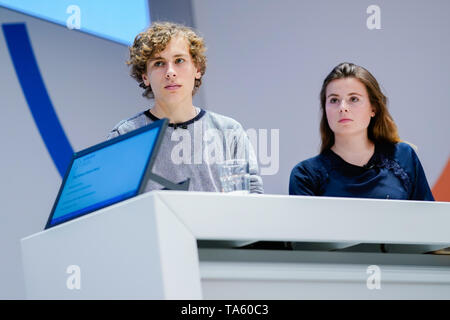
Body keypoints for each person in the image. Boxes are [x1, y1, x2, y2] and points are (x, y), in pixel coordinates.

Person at [108, 22, 263, 193]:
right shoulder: (125, 135)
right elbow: (116, 203)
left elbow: (252, 195)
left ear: (197, 69)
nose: (170, 72)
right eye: (159, 63)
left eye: (179, 60)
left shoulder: (229, 130)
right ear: (145, 77)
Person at [289, 62, 434, 200]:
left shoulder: (403, 156)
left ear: (373, 108)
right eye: (334, 100)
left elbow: (429, 221)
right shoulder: (305, 176)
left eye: (353, 99)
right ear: (325, 109)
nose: (343, 107)